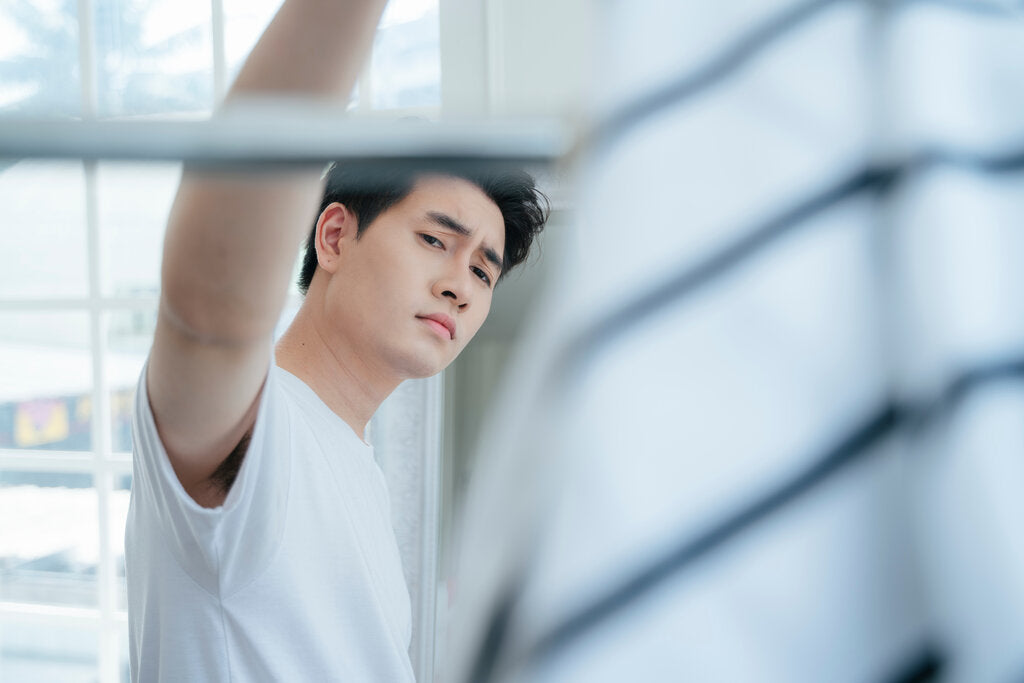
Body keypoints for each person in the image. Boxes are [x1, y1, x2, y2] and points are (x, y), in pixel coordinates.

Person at [123, 0, 547, 680]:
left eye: (481, 268)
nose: (460, 285)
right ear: (334, 235)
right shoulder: (260, 434)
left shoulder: (358, 468)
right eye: (435, 239)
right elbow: (210, 311)